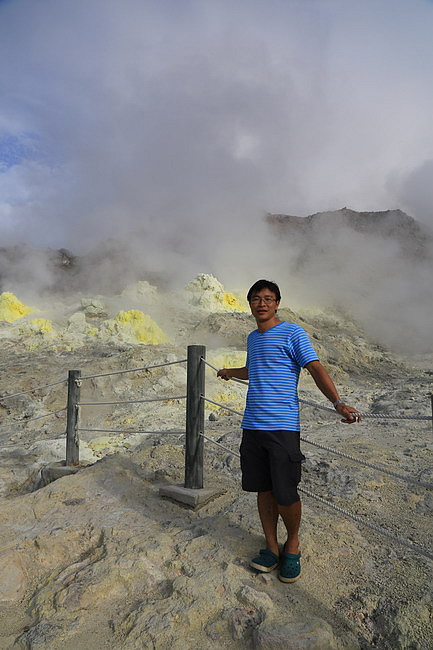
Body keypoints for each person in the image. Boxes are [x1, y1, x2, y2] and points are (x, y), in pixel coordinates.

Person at [217, 279, 360, 583]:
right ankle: (271, 547)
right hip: (252, 425)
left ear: (278, 303)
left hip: (282, 427)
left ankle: (291, 544)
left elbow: (315, 367)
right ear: (250, 304)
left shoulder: (292, 332)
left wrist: (337, 402)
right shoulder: (253, 338)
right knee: (263, 489)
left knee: (285, 492)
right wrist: (230, 371)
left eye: (268, 298)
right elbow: (254, 369)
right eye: (256, 299)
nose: (262, 303)